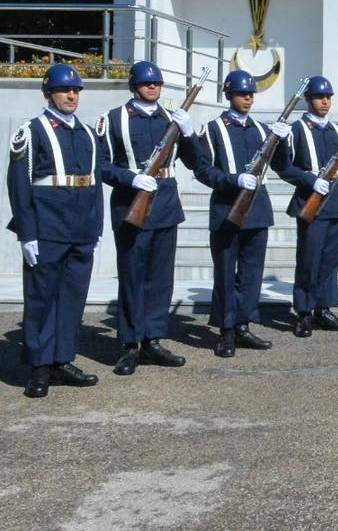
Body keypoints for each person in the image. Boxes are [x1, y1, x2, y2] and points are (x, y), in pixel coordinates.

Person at [7, 64, 104, 398]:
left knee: (72, 299)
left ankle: (62, 360)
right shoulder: (32, 131)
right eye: (65, 90)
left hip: (81, 229)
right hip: (47, 228)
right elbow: (19, 185)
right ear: (49, 93)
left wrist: (97, 228)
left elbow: (95, 183)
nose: (72, 96)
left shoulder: (88, 133)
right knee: (42, 299)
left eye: (76, 90)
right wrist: (27, 234)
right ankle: (39, 368)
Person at [98, 61, 198, 375]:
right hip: (132, 206)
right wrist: (131, 179)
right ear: (134, 86)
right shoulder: (114, 119)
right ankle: (130, 345)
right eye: (146, 83)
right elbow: (101, 165)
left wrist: (189, 133)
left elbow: (196, 161)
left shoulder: (171, 118)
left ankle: (153, 339)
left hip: (165, 205)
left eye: (157, 83)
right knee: (132, 277)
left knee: (160, 279)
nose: (153, 87)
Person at [195, 70, 290, 357]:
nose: (247, 98)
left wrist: (283, 140)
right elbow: (202, 170)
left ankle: (243, 325)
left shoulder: (262, 129)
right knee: (225, 273)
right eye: (241, 94)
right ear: (229, 95)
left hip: (257, 209)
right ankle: (226, 330)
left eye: (250, 94)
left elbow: (282, 165)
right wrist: (233, 180)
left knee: (251, 273)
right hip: (227, 208)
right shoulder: (212, 128)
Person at [274, 75, 338, 338]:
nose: (325, 102)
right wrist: (310, 180)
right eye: (319, 97)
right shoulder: (297, 130)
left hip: (336, 201)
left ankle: (323, 308)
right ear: (308, 100)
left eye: (328, 97)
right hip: (310, 202)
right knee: (309, 260)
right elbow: (283, 167)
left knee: (331, 260)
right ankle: (304, 312)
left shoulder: (335, 129)